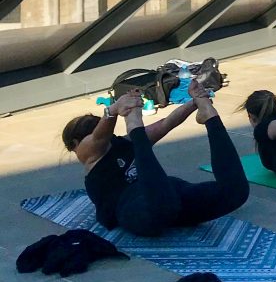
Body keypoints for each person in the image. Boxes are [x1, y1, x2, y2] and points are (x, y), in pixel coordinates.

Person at [62, 81, 248, 237]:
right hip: (140, 206)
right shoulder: (90, 156)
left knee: (235, 192)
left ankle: (210, 116)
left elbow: (167, 123)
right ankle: (135, 125)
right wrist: (114, 110)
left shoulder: (125, 142)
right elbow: (98, 137)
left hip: (167, 195)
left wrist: (196, 102)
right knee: (162, 205)